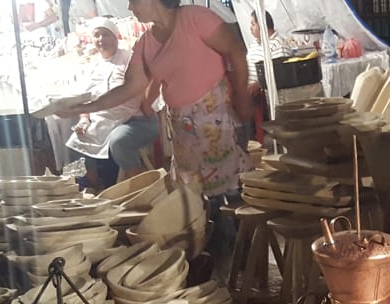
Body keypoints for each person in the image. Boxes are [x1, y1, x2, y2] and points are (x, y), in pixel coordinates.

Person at [66, 0, 252, 271]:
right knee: (196, 195)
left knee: (231, 188)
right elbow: (130, 86)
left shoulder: (196, 18)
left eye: (133, 1)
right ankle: (217, 259)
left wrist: (242, 94)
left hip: (217, 119)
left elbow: (236, 49)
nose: (130, 8)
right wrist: (85, 108)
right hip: (183, 129)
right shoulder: (146, 44)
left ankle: (243, 255)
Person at [66, 17, 160, 190]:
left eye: (106, 35)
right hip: (102, 121)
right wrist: (84, 119)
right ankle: (94, 189)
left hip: (135, 120)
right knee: (76, 141)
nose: (101, 39)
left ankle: (141, 188)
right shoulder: (91, 67)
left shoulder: (130, 59)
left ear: (115, 37)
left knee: (118, 141)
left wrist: (145, 104)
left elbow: (150, 84)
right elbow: (84, 98)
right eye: (97, 35)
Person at [245, 10, 289, 143]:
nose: (250, 28)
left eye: (253, 24)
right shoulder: (254, 45)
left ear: (262, 25)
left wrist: (258, 84)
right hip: (250, 91)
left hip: (266, 96)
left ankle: (253, 140)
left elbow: (279, 74)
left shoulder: (278, 45)